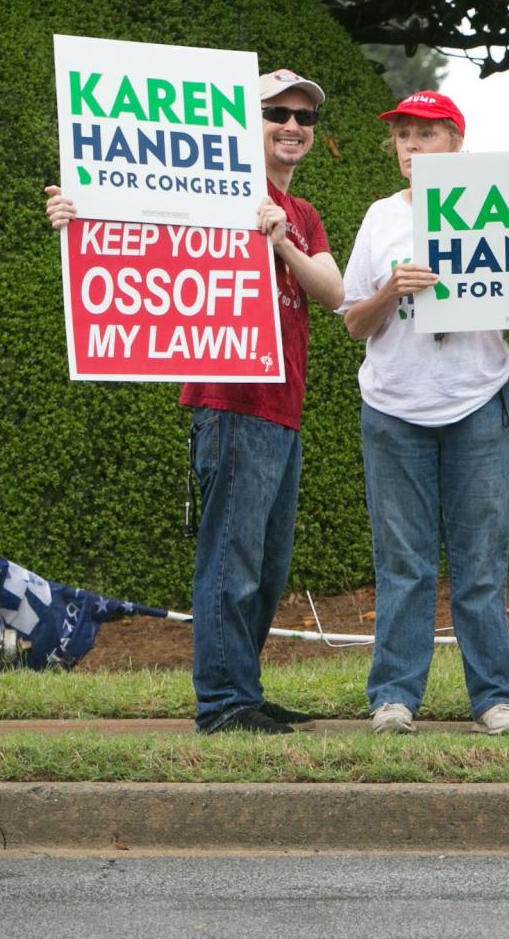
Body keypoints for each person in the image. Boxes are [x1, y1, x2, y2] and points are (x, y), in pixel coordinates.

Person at [44, 67, 346, 735]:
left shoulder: (301, 214)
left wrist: (281, 240)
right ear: (247, 122)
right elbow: (136, 212)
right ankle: (221, 703)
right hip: (232, 402)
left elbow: (333, 289)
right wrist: (76, 210)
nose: (293, 126)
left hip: (282, 409)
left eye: (305, 117)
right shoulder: (214, 190)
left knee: (265, 569)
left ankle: (244, 687)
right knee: (230, 561)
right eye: (277, 112)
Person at [341, 90, 509, 735]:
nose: (412, 146)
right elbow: (354, 322)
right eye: (404, 135)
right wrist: (390, 288)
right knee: (403, 561)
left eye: (427, 134)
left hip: (476, 402)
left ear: (459, 144)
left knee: (481, 560)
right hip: (394, 407)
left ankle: (494, 698)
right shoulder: (380, 217)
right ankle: (394, 698)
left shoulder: (502, 211)